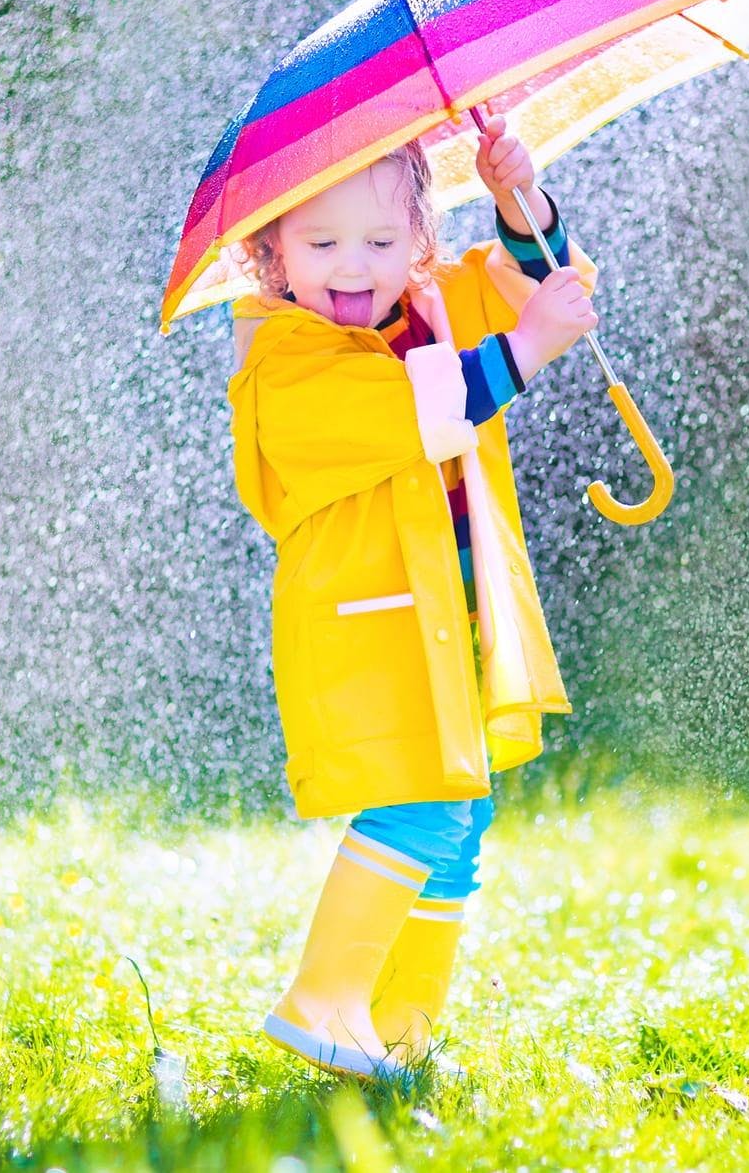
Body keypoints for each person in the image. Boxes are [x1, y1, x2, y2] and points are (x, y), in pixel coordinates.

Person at [226, 113, 599, 1081]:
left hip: (456, 623)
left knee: (460, 822)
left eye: (382, 242)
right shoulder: (283, 359)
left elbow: (545, 288)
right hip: (372, 636)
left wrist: (521, 198)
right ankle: (322, 998)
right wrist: (523, 352)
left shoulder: (431, 302)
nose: (353, 267)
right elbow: (422, 412)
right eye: (319, 243)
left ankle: (401, 1030)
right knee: (420, 811)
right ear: (268, 252)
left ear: (421, 241)